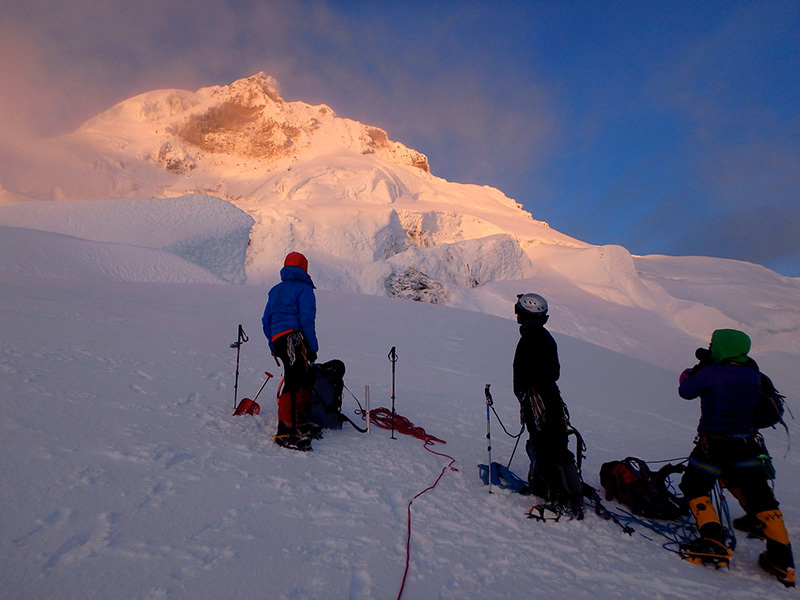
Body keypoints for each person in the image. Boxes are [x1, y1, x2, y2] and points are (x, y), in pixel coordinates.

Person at [677, 328, 794, 587]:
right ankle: (782, 560)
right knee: (760, 496)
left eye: (713, 344)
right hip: (748, 446)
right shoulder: (754, 375)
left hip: (714, 444)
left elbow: (685, 389)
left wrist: (697, 369)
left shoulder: (711, 373)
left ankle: (712, 538)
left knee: (694, 486)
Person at [512, 293, 584, 518]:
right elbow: (555, 372)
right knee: (558, 445)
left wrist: (527, 394)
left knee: (544, 447)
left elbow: (526, 372)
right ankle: (573, 494)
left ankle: (558, 499)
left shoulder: (531, 337)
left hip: (538, 399)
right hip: (550, 397)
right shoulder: (543, 336)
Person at [262, 252, 320, 451]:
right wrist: (312, 347)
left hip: (279, 338)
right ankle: (286, 431)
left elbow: (266, 320)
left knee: (300, 377)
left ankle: (300, 423)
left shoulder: (275, 290)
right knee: (296, 380)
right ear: (304, 269)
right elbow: (306, 319)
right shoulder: (304, 289)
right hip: (294, 339)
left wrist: (272, 343)